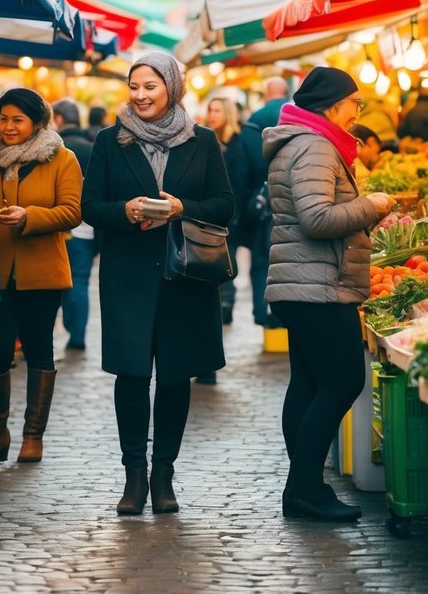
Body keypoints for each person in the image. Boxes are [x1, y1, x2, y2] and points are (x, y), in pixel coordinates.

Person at [81, 51, 233, 517]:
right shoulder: (111, 141)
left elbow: (226, 205)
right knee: (131, 375)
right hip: (128, 275)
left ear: (171, 87)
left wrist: (183, 207)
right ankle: (133, 475)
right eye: (134, 86)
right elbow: (91, 207)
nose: (141, 95)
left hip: (185, 276)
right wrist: (124, 212)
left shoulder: (202, 140)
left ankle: (163, 474)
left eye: (150, 86)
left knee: (174, 376)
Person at [263, 66, 394, 524]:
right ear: (333, 105)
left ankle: (305, 488)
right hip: (317, 286)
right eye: (355, 103)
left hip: (306, 283)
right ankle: (304, 488)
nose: (359, 112)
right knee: (342, 382)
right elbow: (316, 219)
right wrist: (370, 206)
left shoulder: (304, 142)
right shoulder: (316, 146)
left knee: (308, 383)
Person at [0, 89, 82, 465]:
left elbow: (73, 211)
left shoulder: (62, 159)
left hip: (42, 273)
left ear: (38, 124)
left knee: (39, 349)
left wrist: (29, 217)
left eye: (17, 120)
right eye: (4, 118)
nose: (8, 126)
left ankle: (33, 436)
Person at [227, 76, 289, 329]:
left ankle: (261, 311)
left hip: (262, 202)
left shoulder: (254, 122)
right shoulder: (297, 114)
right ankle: (285, 313)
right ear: (285, 92)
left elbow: (242, 171)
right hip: (292, 200)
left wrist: (240, 208)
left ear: (266, 94)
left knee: (261, 260)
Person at [197, 96, 241, 383]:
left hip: (223, 221)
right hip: (201, 224)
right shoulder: (204, 141)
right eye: (209, 110)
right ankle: (203, 365)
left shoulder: (233, 145)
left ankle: (207, 365)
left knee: (220, 274)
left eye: (217, 110)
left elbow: (237, 184)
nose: (212, 115)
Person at [52, 98, 95, 353]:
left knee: (54, 281)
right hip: (86, 228)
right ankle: (77, 335)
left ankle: (54, 330)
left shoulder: (55, 147)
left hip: (57, 224)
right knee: (79, 280)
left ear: (58, 118)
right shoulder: (92, 147)